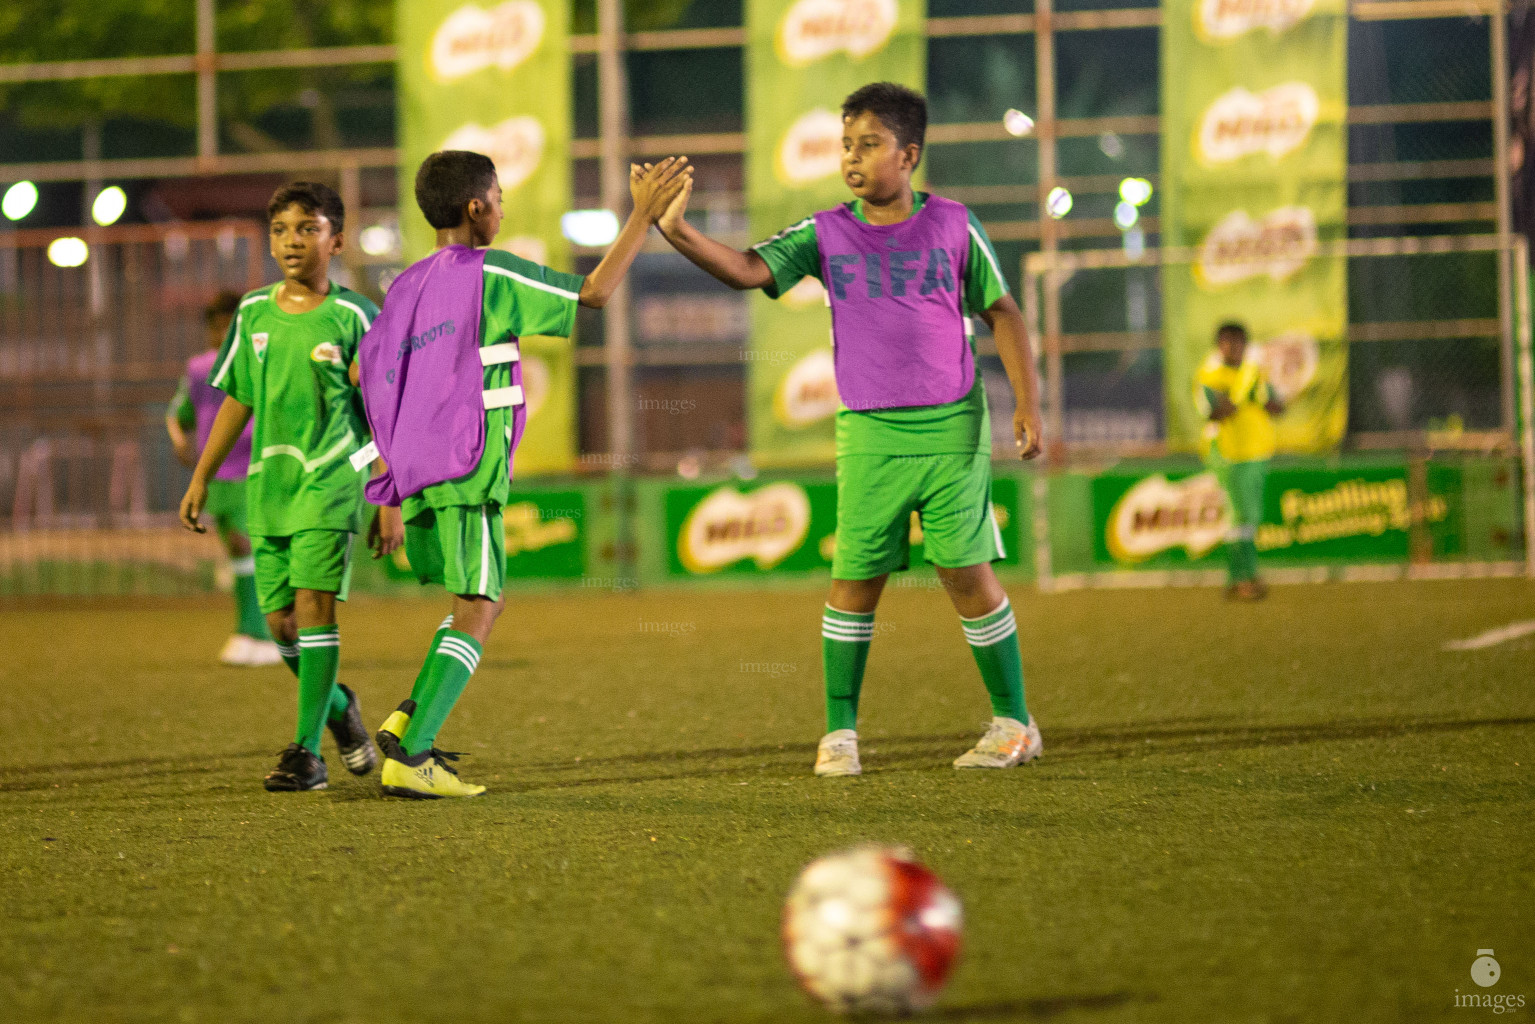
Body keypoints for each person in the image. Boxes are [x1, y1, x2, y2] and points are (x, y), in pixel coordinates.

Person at [652, 82, 1045, 776]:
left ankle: (1014, 724)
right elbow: (747, 269)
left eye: (869, 144)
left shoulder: (954, 223)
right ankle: (839, 735)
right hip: (867, 429)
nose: (852, 158)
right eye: (845, 145)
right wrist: (677, 230)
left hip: (952, 423)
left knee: (961, 569)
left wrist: (1027, 404)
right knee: (855, 576)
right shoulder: (823, 232)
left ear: (909, 154)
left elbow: (1003, 312)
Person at [357, 150, 691, 798]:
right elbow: (592, 293)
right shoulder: (488, 273)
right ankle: (414, 755)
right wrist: (642, 217)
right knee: (480, 605)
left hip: (419, 473)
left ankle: (406, 721)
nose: (503, 209)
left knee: (479, 600)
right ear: (476, 208)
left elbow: (366, 380)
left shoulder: (402, 287)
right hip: (467, 466)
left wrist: (384, 485)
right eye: (499, 197)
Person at [178, 181, 392, 792]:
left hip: (331, 482)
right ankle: (340, 712)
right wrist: (199, 476)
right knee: (281, 628)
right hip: (266, 488)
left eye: (307, 227)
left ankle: (305, 753)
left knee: (314, 609)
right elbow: (237, 399)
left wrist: (388, 491)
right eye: (280, 230)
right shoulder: (252, 313)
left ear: (336, 239)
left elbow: (382, 408)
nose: (292, 241)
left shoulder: (356, 316)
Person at [167, 292, 281, 667]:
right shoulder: (200, 368)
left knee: (248, 544)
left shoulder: (260, 361)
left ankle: (261, 632)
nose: (224, 332)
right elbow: (178, 412)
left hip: (255, 466)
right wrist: (181, 440)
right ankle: (251, 630)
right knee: (237, 550)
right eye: (217, 326)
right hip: (217, 471)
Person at [1194, 321, 1284, 601]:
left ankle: (1236, 580)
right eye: (1227, 341)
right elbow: (1214, 411)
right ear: (1218, 345)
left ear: (1246, 344)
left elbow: (1276, 405)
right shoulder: (1208, 376)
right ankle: (1246, 578)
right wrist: (1235, 400)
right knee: (1240, 516)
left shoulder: (1254, 373)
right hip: (1227, 453)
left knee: (1246, 518)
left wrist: (1261, 398)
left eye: (1238, 341)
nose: (1233, 347)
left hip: (1257, 451)